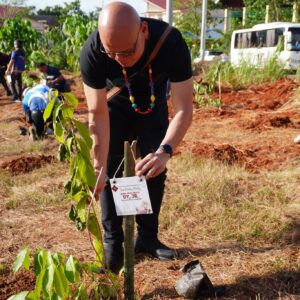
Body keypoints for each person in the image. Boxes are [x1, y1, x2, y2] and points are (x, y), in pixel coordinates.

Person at [80, 2, 193, 273]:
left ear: (143, 30)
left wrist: (165, 150)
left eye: (127, 52)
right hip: (114, 106)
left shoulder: (170, 42)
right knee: (111, 169)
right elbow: (96, 113)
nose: (120, 59)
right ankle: (113, 243)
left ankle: (147, 237)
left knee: (153, 168)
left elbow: (184, 108)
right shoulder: (93, 51)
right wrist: (98, 166)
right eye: (112, 53)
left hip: (152, 103)